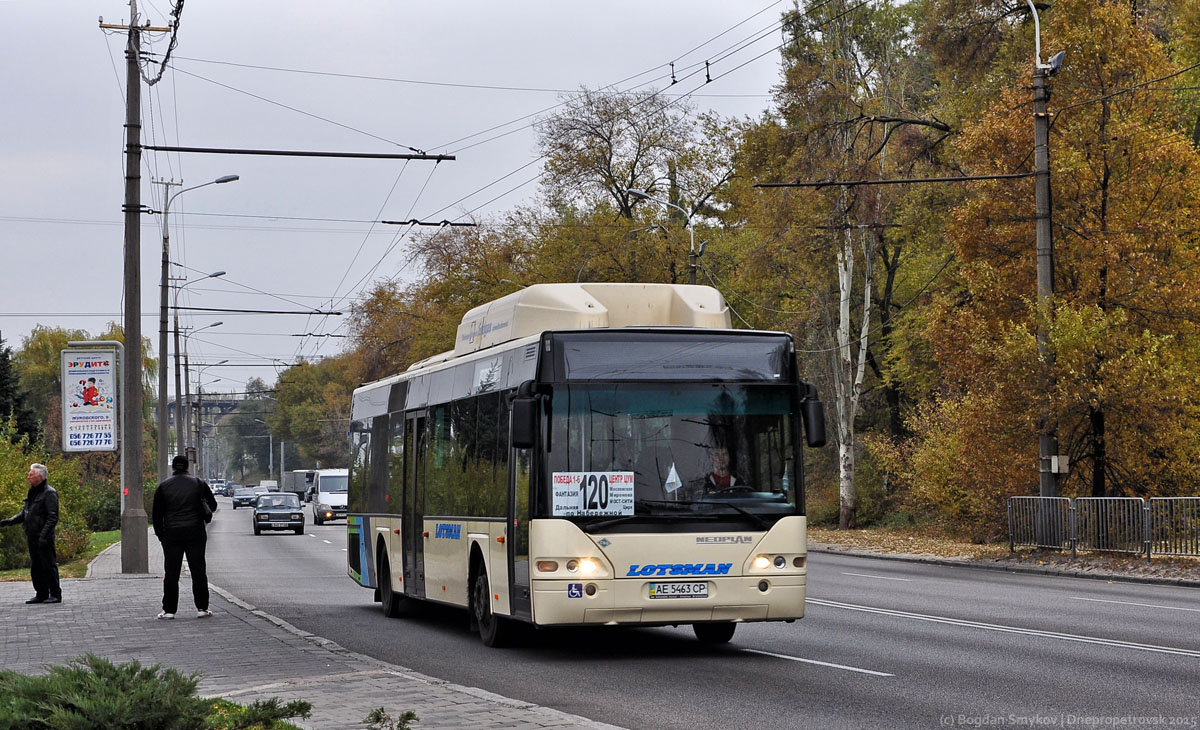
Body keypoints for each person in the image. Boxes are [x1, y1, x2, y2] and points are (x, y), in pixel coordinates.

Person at [152, 454, 217, 620]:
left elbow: (157, 515)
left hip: (172, 534)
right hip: (195, 532)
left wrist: (161, 536)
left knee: (171, 573)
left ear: (173, 468)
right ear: (187, 467)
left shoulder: (163, 487)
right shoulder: (198, 483)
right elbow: (213, 505)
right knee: (198, 570)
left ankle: (169, 610)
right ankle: (202, 608)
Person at [0, 463, 63, 604]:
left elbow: (52, 517)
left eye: (31, 474)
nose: (28, 477)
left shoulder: (49, 493)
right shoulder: (33, 492)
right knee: (36, 567)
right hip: (32, 536)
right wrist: (9, 521)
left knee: (48, 565)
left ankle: (55, 594)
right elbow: (26, 513)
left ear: (40, 477)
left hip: (44, 537)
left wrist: (44, 536)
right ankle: (41, 593)